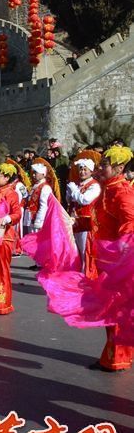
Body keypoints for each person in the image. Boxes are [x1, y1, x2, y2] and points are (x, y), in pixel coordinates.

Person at [92, 145, 134, 371]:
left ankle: (116, 358)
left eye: (105, 164)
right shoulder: (108, 189)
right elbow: (101, 222)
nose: (101, 167)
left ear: (119, 167)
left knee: (117, 309)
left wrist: (122, 254)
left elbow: (130, 225)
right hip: (106, 259)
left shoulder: (123, 193)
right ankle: (114, 355)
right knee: (111, 309)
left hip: (117, 262)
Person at [0, 163, 22, 315]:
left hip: (4, 237)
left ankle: (3, 305)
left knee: (2, 271)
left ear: (7, 178)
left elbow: (17, 214)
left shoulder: (11, 193)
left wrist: (7, 218)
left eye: (0, 174)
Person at [65, 153, 101, 278]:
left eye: (85, 169)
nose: (82, 172)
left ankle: (86, 276)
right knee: (76, 251)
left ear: (91, 171)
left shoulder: (94, 185)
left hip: (87, 223)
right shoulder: (77, 184)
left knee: (85, 250)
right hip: (75, 221)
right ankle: (77, 275)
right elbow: (72, 201)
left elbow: (85, 200)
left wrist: (74, 190)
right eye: (80, 169)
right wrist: (69, 194)